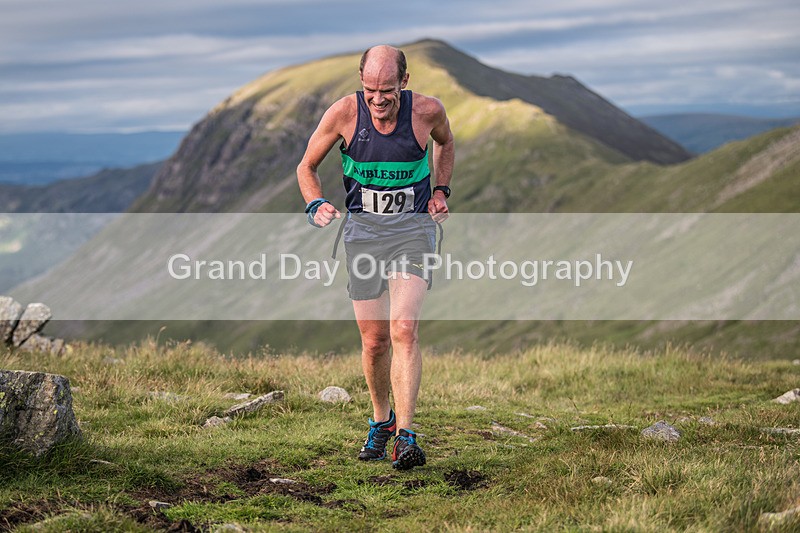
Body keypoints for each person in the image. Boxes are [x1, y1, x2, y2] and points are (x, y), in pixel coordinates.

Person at [296, 44, 454, 470]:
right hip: (363, 236)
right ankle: (381, 423)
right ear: (360, 83)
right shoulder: (343, 114)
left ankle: (406, 436)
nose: (379, 99)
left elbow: (446, 143)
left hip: (412, 233)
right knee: (374, 341)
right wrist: (315, 204)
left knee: (403, 328)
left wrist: (440, 190)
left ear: (404, 81)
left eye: (387, 90)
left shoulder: (427, 112)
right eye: (370, 90)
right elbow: (306, 167)